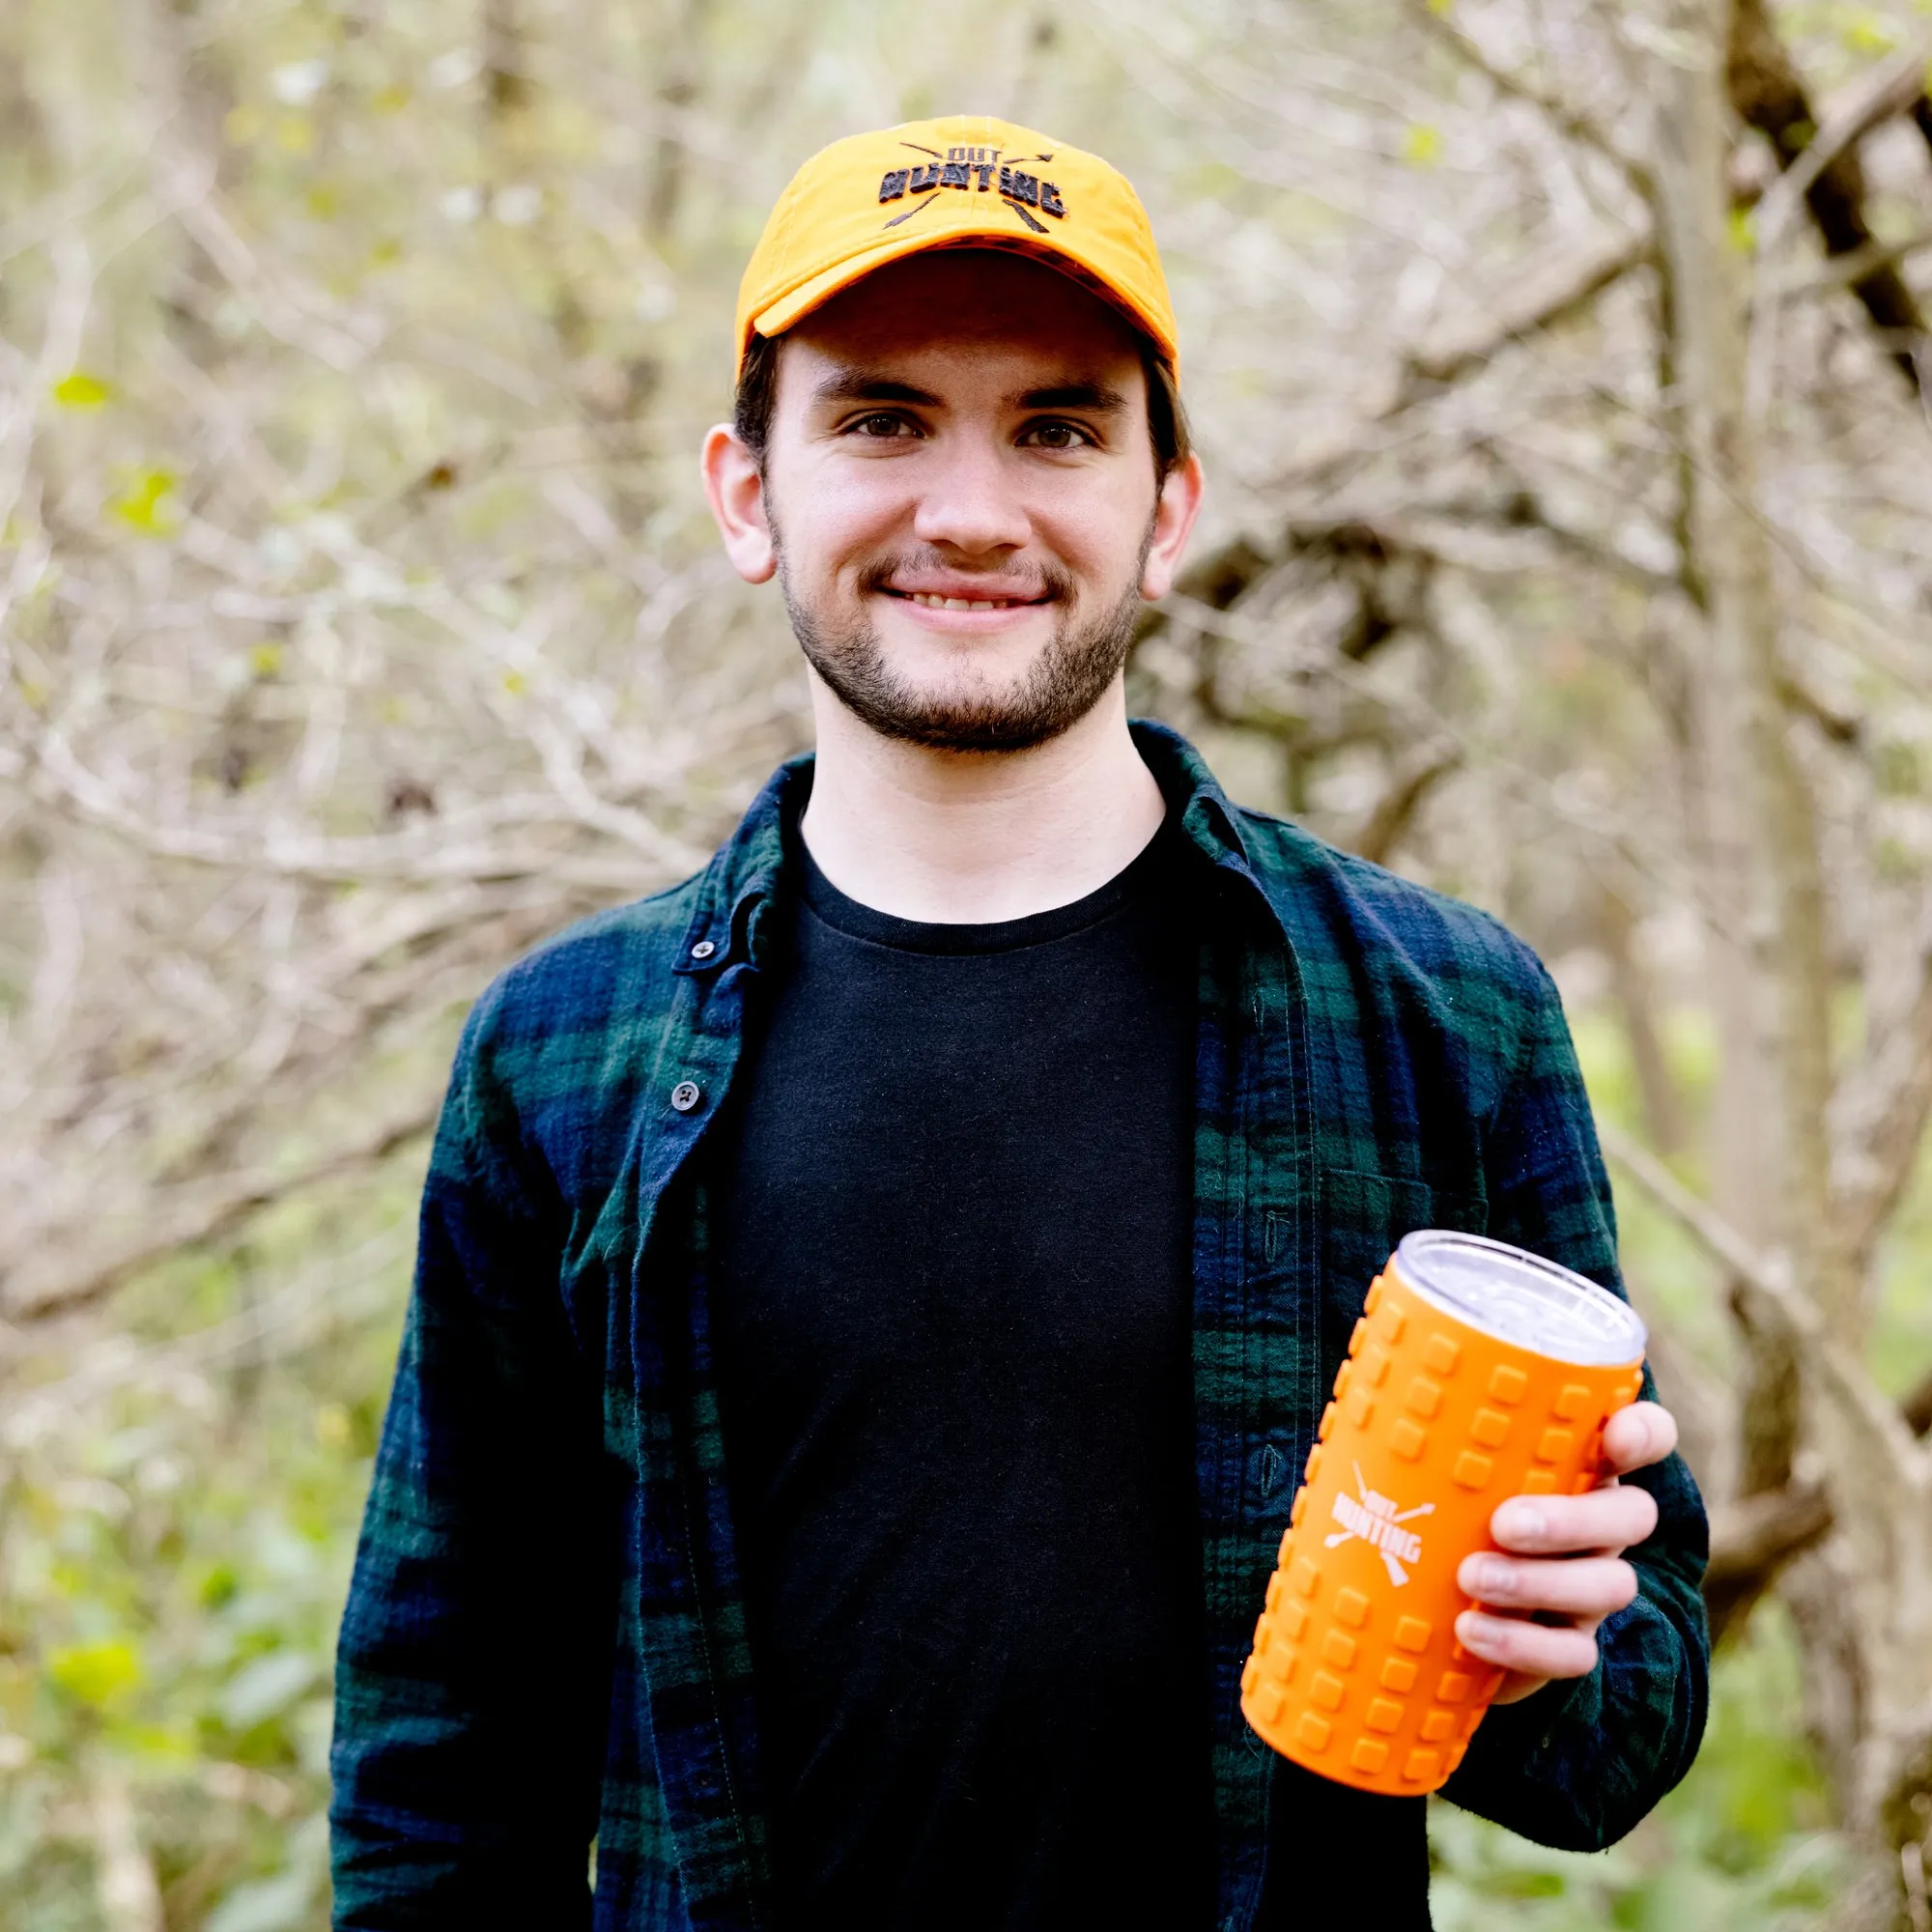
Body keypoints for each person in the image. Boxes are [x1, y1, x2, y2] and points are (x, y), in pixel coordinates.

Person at [328, 115, 1709, 1932]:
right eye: (882, 419)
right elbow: (446, 1749)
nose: (970, 511)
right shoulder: (560, 1054)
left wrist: (1556, 1658)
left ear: (1167, 511)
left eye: (1057, 427)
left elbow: (1623, 1728)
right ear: (750, 493)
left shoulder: (1438, 1010)